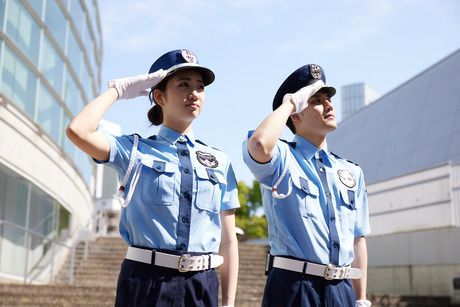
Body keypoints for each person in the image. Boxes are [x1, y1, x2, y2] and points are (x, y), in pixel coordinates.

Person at [66, 49, 239, 307]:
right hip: (146, 283)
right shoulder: (134, 150)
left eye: (200, 87)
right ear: (159, 96)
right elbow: (78, 130)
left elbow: (228, 239)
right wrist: (119, 90)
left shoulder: (219, 161)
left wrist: (228, 303)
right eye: (183, 84)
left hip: (202, 285)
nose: (194, 93)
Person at [242, 64, 371, 307]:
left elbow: (357, 238)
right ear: (296, 113)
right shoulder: (282, 159)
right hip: (294, 288)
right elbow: (259, 144)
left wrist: (361, 299)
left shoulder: (351, 171)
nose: (329, 105)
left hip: (342, 289)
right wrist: (290, 102)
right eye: (317, 100)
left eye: (329, 98)